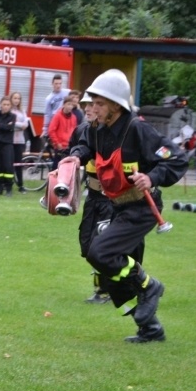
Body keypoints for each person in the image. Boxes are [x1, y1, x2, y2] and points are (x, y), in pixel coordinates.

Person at [64, 69, 188, 343]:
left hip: (142, 208)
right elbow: (84, 146)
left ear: (116, 106)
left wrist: (151, 176)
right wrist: (74, 157)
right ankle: (150, 329)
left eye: (99, 103)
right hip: (117, 205)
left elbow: (177, 159)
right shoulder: (97, 129)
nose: (92, 108)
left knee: (101, 253)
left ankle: (149, 286)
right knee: (110, 274)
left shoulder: (139, 130)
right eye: (92, 102)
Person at [70, 93, 114, 304]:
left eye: (92, 105)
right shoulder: (82, 131)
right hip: (93, 196)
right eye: (85, 104)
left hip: (111, 199)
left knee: (101, 245)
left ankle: (105, 290)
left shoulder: (116, 132)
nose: (88, 108)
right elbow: (75, 157)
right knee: (87, 245)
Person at [48, 97, 78, 170]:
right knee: (56, 167)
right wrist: (57, 143)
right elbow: (51, 130)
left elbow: (75, 131)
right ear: (64, 105)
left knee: (67, 168)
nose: (70, 106)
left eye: (71, 105)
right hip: (60, 146)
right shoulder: (58, 116)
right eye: (68, 104)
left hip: (69, 146)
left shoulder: (74, 117)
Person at [10, 91, 30, 193]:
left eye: (18, 98)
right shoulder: (9, 111)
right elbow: (10, 123)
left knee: (19, 163)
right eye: (15, 98)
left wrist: (21, 125)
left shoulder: (22, 111)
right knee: (10, 163)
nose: (16, 100)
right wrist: (19, 125)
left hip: (20, 141)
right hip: (11, 140)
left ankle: (21, 185)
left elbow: (26, 123)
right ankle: (9, 184)